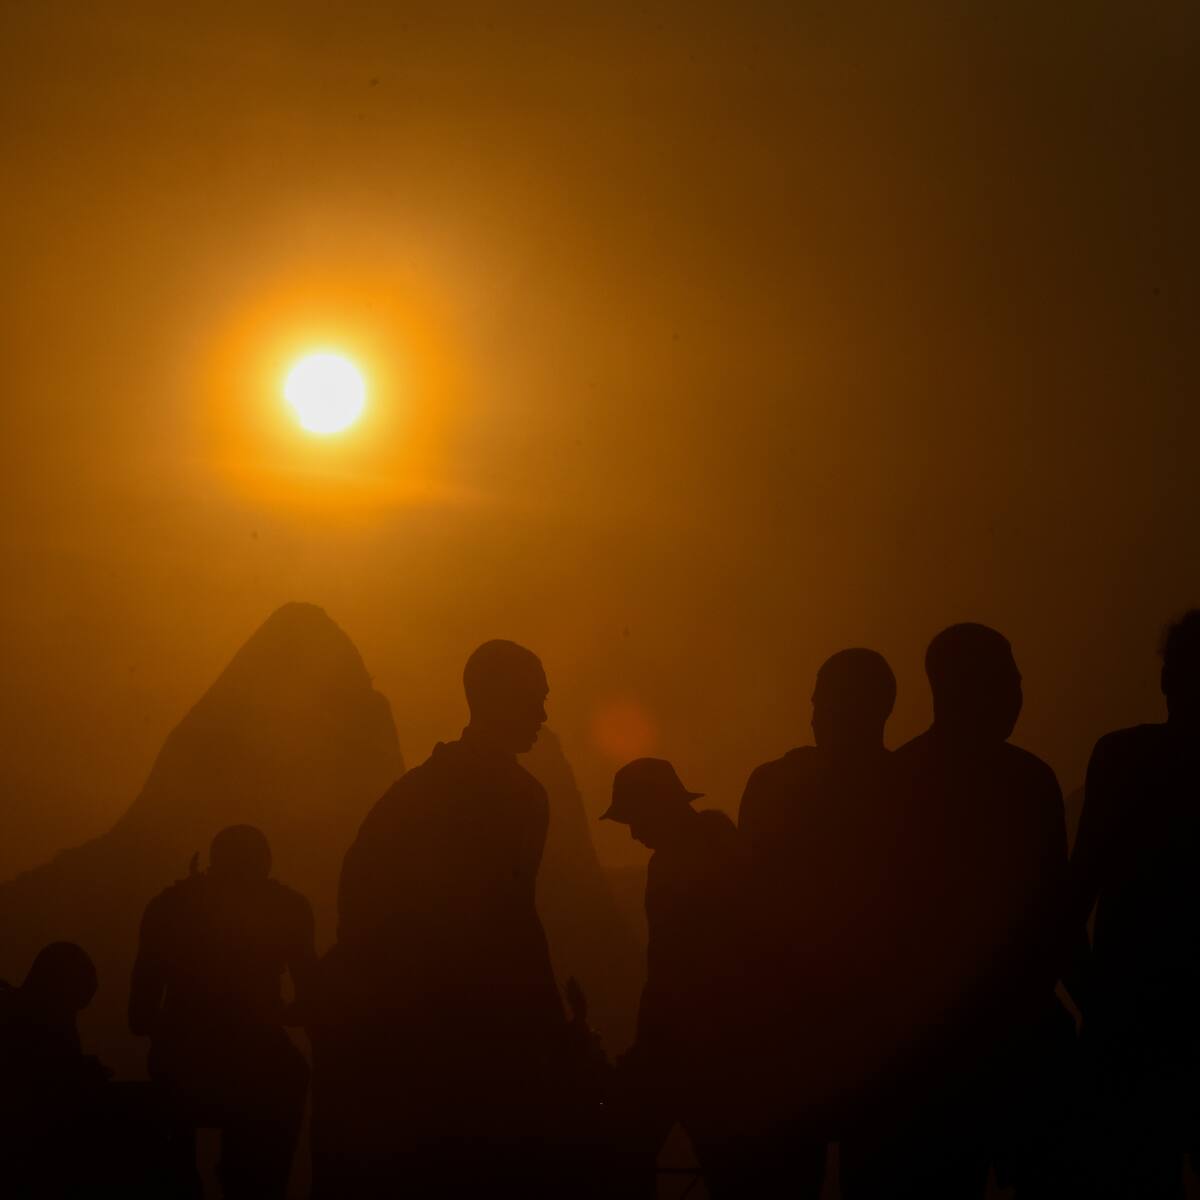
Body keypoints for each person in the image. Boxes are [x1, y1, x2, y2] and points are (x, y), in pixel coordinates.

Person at [840, 624, 1074, 1200]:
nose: (1019, 696)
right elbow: (1055, 921)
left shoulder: (895, 784)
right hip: (974, 1055)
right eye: (1008, 682)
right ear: (962, 688)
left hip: (943, 1057)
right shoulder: (1027, 783)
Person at [328, 639, 566, 1197]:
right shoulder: (519, 797)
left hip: (407, 1039)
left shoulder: (409, 796)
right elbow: (512, 919)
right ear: (492, 699)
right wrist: (548, 1028)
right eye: (533, 699)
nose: (542, 715)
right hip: (465, 1041)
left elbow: (356, 902)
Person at [737, 648, 898, 1193]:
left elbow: (745, 910)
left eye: (820, 703)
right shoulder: (911, 789)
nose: (812, 715)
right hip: (878, 1041)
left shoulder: (775, 786)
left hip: (793, 1038)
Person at [1068, 609, 1200, 1197]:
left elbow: (1074, 893)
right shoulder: (1120, 759)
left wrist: (1093, 1000)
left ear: (1167, 679)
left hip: (1127, 1020)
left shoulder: (1121, 759)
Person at [129, 825, 315, 1200]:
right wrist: (270, 1015)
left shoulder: (167, 907)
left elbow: (139, 1017)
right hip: (259, 1070)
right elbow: (312, 1000)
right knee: (292, 1075)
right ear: (265, 866)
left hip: (181, 1065)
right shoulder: (288, 909)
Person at [600, 757, 751, 1198]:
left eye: (634, 819)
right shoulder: (721, 843)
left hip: (688, 1045)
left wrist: (645, 1050)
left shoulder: (671, 867)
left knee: (625, 1149)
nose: (632, 832)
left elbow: (668, 966)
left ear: (656, 809)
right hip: (726, 1041)